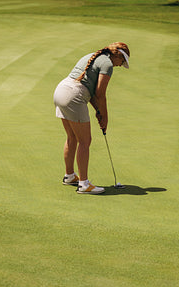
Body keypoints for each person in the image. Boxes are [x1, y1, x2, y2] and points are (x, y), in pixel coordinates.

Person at [54, 42, 130, 194]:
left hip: (60, 91)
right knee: (85, 141)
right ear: (118, 56)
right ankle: (84, 184)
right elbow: (100, 94)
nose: (120, 65)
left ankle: (69, 176)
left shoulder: (92, 56)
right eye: (122, 62)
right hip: (74, 96)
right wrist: (105, 117)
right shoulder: (107, 64)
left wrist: (98, 112)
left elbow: (90, 91)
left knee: (72, 137)